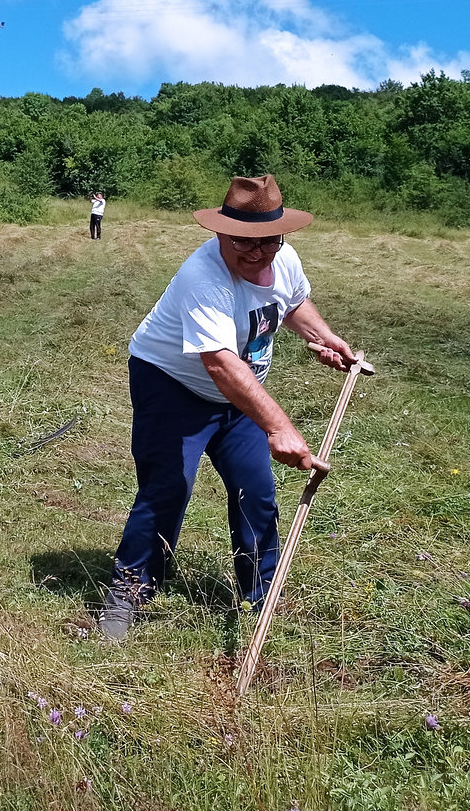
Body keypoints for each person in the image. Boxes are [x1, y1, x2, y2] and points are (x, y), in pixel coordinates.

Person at [96, 175, 359, 643]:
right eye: (244, 243)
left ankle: (260, 596)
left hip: (239, 392)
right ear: (219, 233)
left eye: (269, 241)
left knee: (255, 490)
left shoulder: (284, 258)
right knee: (168, 487)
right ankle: (129, 593)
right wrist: (279, 427)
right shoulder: (205, 276)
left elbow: (293, 302)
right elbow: (219, 364)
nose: (258, 254)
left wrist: (323, 337)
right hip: (172, 383)